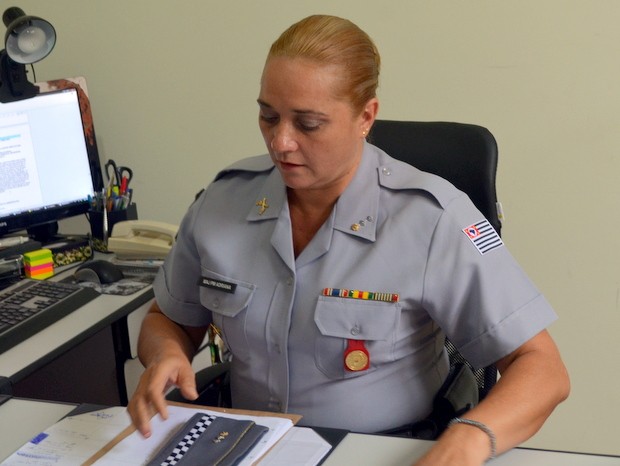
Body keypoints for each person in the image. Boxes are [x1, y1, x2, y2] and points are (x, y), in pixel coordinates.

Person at [128, 14, 569, 465]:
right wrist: (165, 353)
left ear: (365, 116)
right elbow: (171, 318)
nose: (280, 142)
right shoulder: (224, 200)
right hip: (245, 446)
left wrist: (470, 440)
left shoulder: (430, 218)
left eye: (308, 124)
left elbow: (542, 368)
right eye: (268, 116)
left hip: (384, 450)